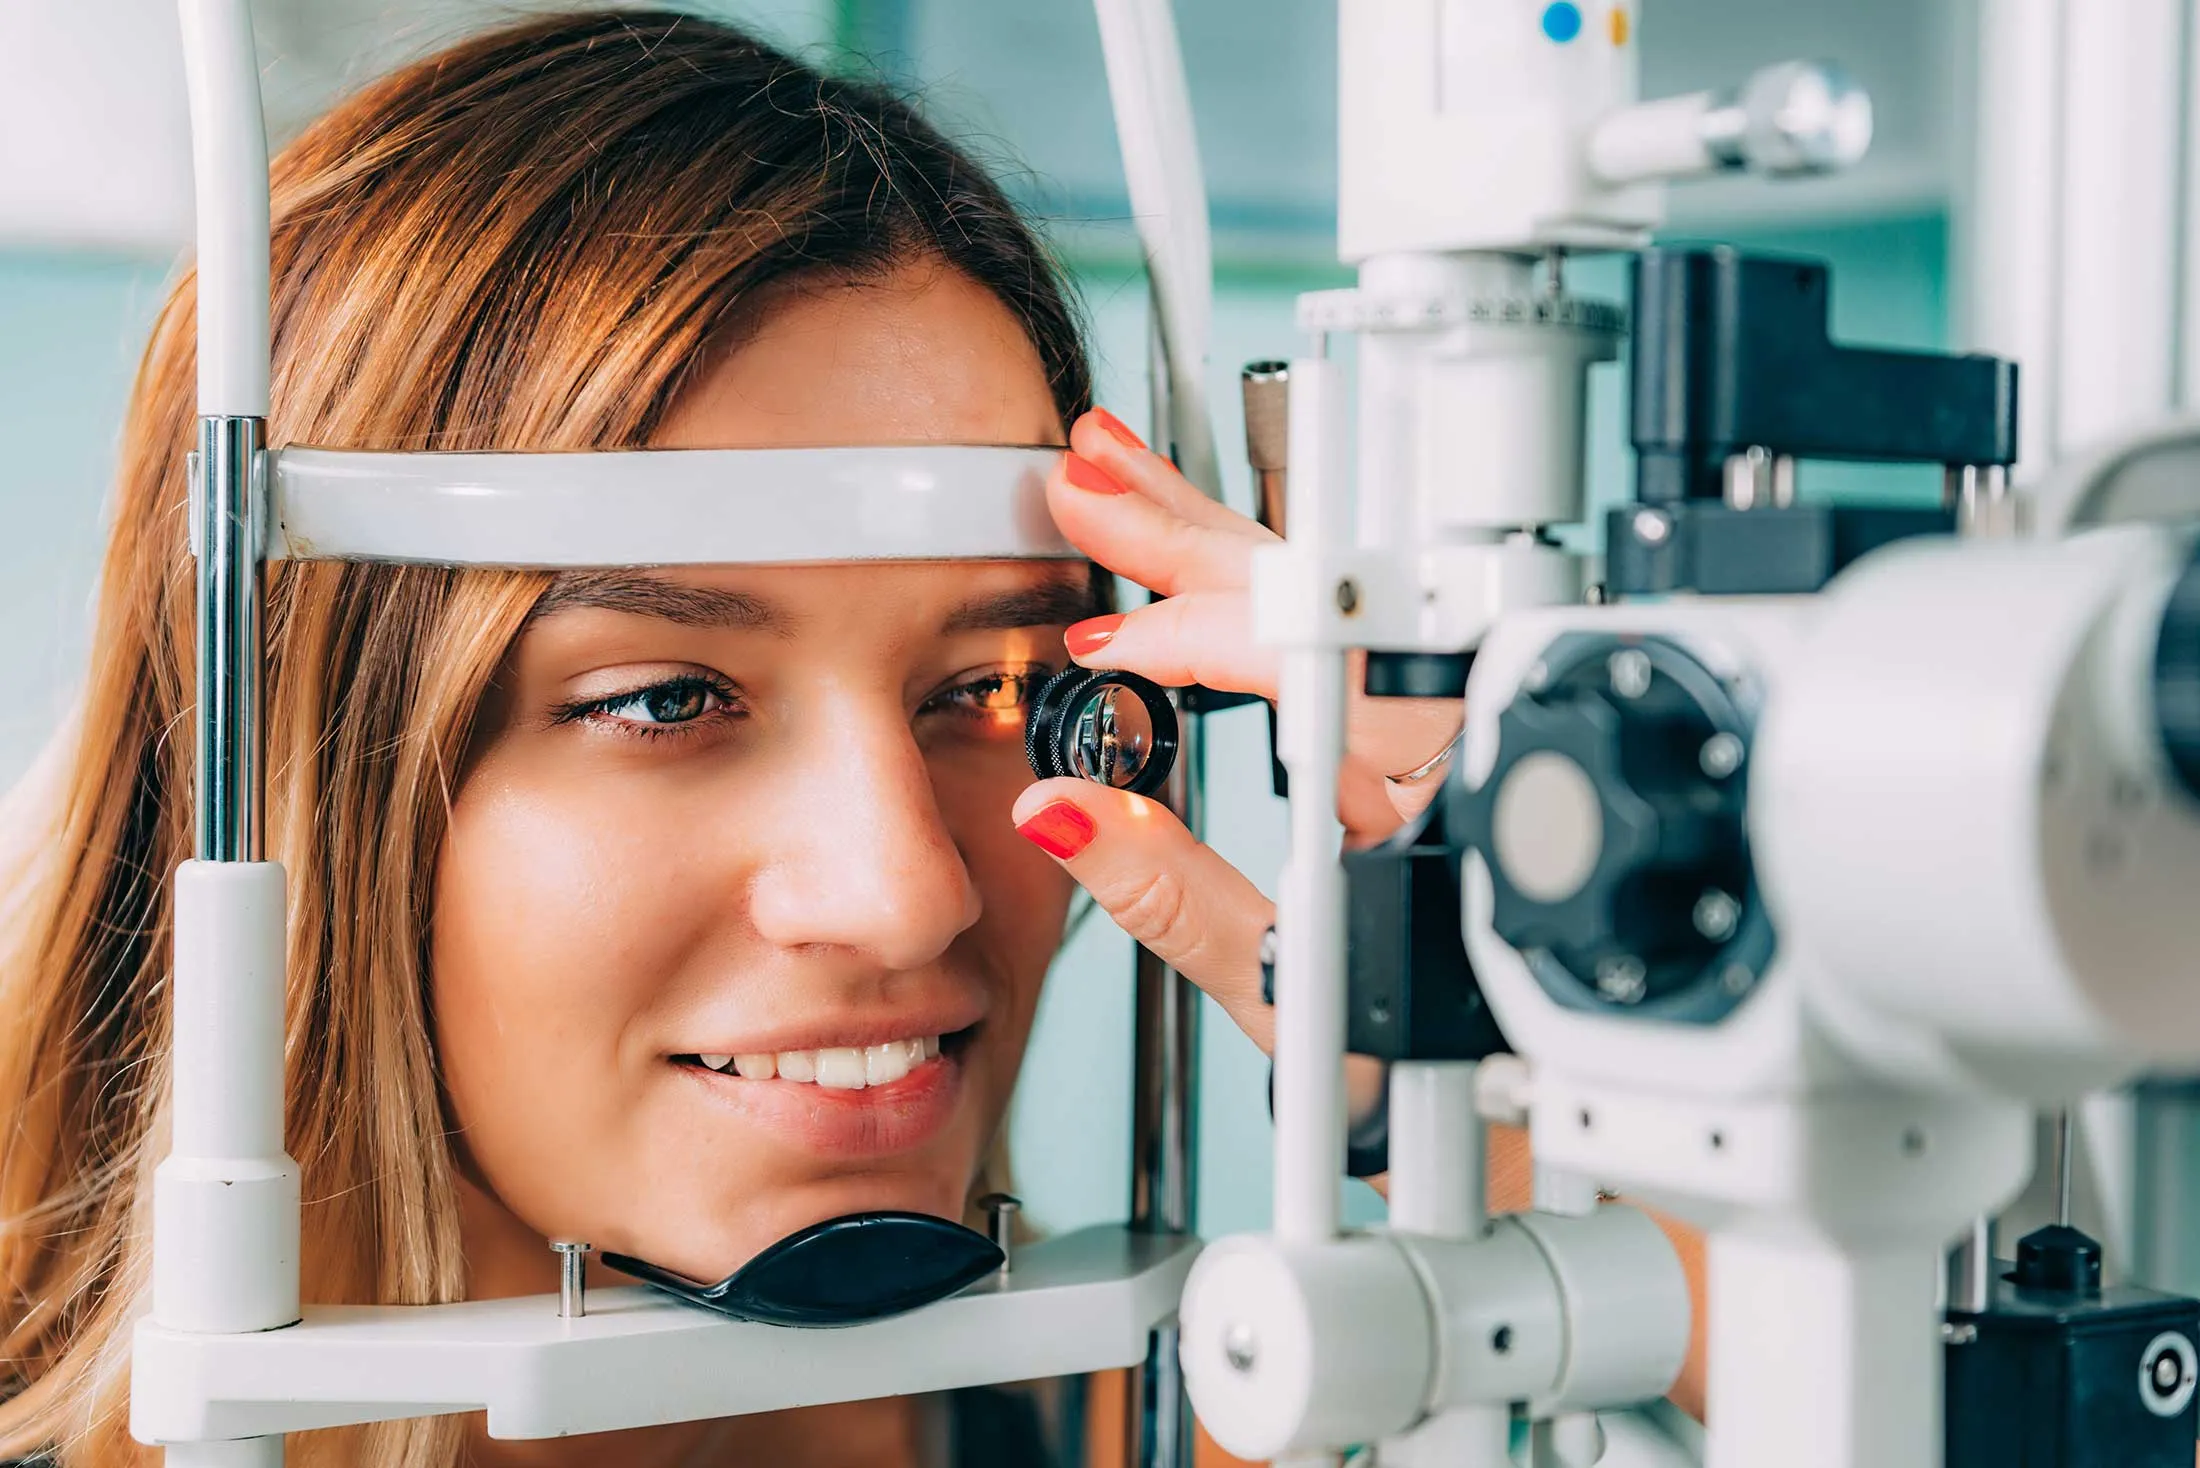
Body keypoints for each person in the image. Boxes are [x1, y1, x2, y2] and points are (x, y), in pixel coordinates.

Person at [0, 10, 1704, 1467]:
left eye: (984, 689)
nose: (910, 897)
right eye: (667, 700)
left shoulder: (1194, 1418)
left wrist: (1529, 1110)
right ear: (303, 763)